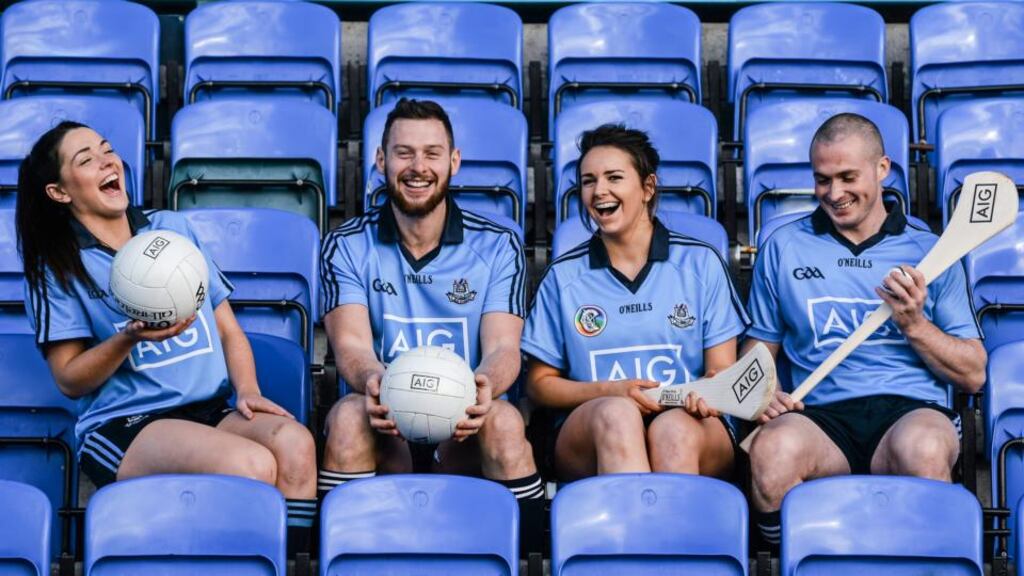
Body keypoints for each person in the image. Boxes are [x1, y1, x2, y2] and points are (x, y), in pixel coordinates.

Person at [18, 121, 317, 554]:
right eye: (86, 160)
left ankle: (282, 562)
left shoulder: (173, 229)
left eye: (107, 150)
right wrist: (130, 338)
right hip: (126, 424)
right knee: (249, 466)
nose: (107, 161)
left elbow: (229, 330)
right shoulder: (57, 267)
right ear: (59, 191)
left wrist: (247, 389)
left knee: (295, 445)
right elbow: (68, 379)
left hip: (208, 409)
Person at [744, 113, 987, 545]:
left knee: (925, 449)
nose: (834, 194)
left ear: (882, 169)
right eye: (822, 180)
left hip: (909, 410)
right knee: (772, 452)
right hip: (817, 416)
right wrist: (757, 393)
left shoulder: (931, 251)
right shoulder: (783, 246)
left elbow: (973, 373)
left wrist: (915, 324)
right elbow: (759, 348)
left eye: (847, 177)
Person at [318, 99, 541, 503]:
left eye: (431, 154)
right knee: (349, 417)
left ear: (454, 162)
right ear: (382, 159)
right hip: (382, 418)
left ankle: (522, 554)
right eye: (404, 153)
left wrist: (482, 388)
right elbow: (350, 346)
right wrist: (377, 383)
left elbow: (504, 348)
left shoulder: (497, 245)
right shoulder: (346, 244)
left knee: (505, 421)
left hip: (464, 427)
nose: (418, 167)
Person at [521, 124, 749, 481]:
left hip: (691, 424)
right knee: (618, 414)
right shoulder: (563, 277)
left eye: (614, 177)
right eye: (588, 181)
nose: (599, 191)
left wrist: (705, 393)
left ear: (647, 187)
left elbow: (720, 371)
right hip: (591, 424)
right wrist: (613, 391)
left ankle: (666, 536)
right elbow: (538, 384)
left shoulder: (701, 264)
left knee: (673, 429)